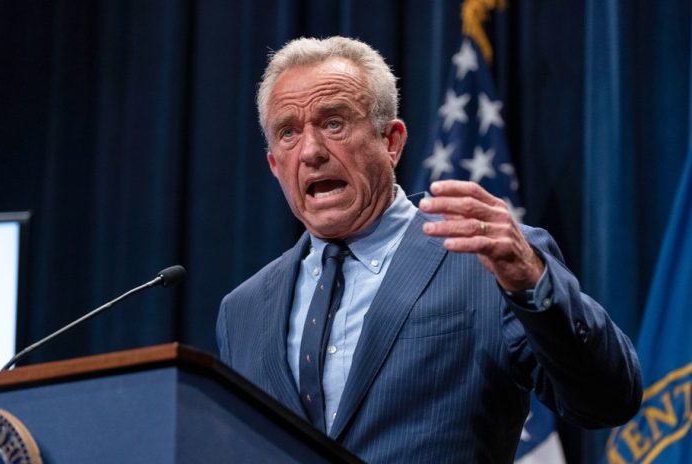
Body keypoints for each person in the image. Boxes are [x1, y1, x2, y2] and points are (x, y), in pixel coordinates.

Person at [216, 36, 641, 462]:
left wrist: (532, 281)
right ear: (274, 164)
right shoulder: (242, 311)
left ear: (391, 142)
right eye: (288, 132)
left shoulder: (488, 261)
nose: (310, 152)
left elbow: (608, 401)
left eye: (334, 124)